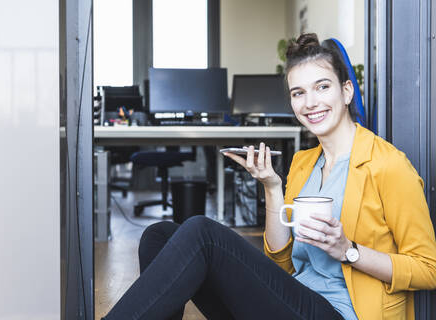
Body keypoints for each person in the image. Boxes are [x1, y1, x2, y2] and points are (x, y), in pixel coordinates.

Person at [102, 33, 436, 320]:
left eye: (322, 87)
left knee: (202, 233)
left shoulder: (388, 165)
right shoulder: (304, 163)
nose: (310, 103)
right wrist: (272, 187)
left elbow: (428, 268)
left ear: (347, 91)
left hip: (342, 313)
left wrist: (348, 250)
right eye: (298, 92)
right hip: (293, 302)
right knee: (159, 235)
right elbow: (283, 264)